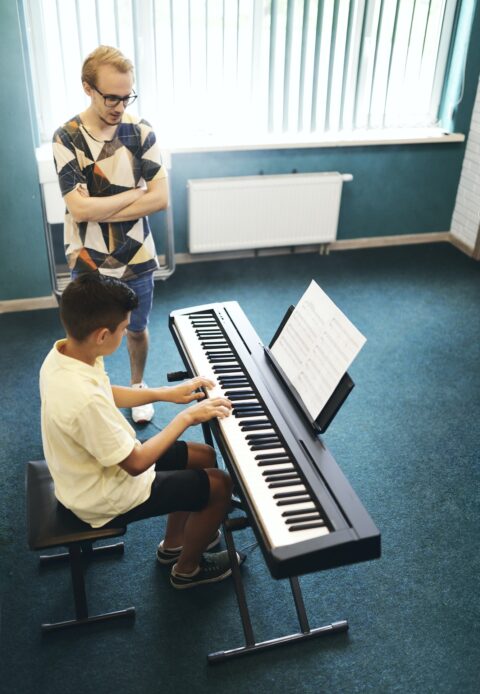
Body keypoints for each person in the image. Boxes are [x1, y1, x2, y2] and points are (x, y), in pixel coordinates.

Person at [39, 273, 244, 589]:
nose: (126, 334)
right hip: (101, 494)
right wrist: (186, 417)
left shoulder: (65, 354)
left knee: (203, 455)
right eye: (123, 329)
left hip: (90, 467)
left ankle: (174, 545)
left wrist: (164, 393)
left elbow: (106, 390)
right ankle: (187, 569)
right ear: (103, 335)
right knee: (220, 485)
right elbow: (136, 464)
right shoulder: (82, 400)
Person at [52, 45, 166, 424]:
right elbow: (80, 210)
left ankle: (136, 387)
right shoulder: (66, 138)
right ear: (88, 88)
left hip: (137, 255)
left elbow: (161, 198)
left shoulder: (141, 131)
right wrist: (136, 192)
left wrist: (103, 204)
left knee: (136, 329)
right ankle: (95, 397)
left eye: (126, 96)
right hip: (87, 256)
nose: (119, 106)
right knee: (90, 337)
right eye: (110, 97)